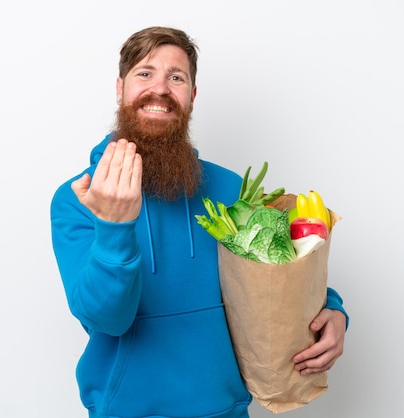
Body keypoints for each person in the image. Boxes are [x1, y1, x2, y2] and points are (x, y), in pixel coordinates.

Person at [50, 26, 348, 418]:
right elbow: (106, 319)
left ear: (191, 96)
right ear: (120, 89)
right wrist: (116, 226)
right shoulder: (81, 198)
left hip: (227, 410)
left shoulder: (230, 188)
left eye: (176, 77)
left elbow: (279, 270)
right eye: (145, 73)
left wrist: (336, 311)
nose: (160, 88)